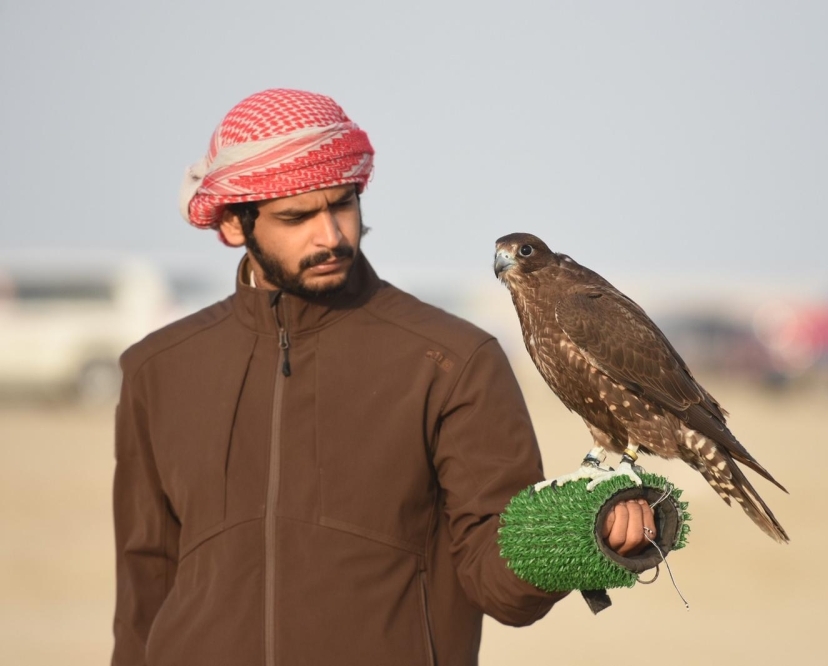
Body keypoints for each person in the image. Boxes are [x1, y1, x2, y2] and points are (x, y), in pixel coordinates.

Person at [112, 88, 655, 665]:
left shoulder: (451, 360)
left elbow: (496, 582)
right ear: (232, 225)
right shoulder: (158, 370)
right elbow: (145, 582)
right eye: (297, 217)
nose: (331, 236)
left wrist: (577, 532)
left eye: (342, 205)